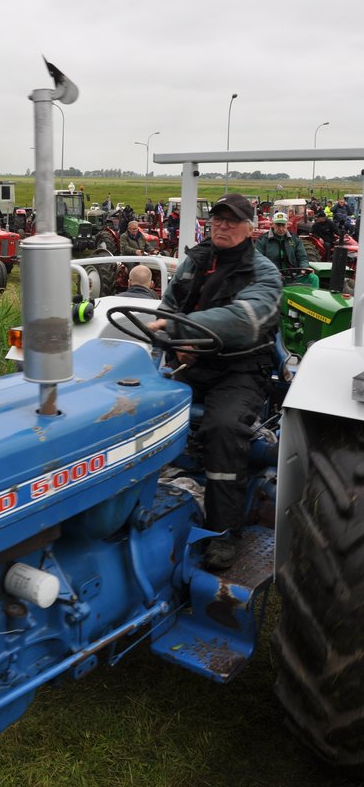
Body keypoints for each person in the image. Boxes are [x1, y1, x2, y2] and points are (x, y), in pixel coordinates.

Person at [146, 193, 282, 571]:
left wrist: (183, 330)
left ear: (250, 229)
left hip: (240, 369)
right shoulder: (195, 261)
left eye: (232, 221)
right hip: (191, 363)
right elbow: (168, 307)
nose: (222, 226)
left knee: (223, 427)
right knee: (139, 408)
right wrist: (176, 345)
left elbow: (244, 319)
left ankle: (223, 532)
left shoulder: (264, 273)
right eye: (217, 219)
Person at [255, 212, 319, 287]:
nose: (281, 228)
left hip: (293, 275)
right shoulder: (262, 240)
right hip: (271, 276)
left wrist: (304, 268)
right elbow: (258, 261)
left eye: (283, 225)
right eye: (278, 225)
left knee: (313, 278)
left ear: (287, 225)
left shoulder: (295, 239)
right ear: (273, 225)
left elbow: (302, 257)